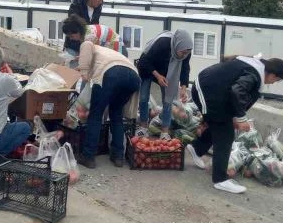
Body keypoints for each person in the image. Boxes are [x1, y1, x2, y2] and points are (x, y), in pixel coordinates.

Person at [188, 55, 283, 194]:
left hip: (212, 90)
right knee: (226, 134)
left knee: (220, 124)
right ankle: (220, 180)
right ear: (272, 74)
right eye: (276, 80)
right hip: (206, 90)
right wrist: (241, 118)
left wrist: (236, 117)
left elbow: (235, 93)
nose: (273, 83)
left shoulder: (255, 67)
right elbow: (237, 91)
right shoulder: (254, 75)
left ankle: (196, 148)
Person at [75, 41, 140, 169]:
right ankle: (118, 156)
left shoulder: (91, 45)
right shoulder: (109, 52)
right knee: (116, 114)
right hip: (133, 77)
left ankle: (88, 157)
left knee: (95, 114)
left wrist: (84, 71)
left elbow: (86, 45)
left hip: (111, 73)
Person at [136, 30, 192, 140]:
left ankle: (164, 132)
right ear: (177, 46)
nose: (184, 55)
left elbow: (185, 69)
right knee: (143, 98)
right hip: (148, 69)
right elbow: (143, 62)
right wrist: (157, 76)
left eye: (187, 53)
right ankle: (143, 127)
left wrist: (184, 88)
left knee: (168, 100)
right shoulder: (162, 43)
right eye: (183, 52)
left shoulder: (186, 52)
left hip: (167, 72)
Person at [61, 14, 126, 57]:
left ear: (78, 31)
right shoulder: (86, 29)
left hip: (117, 52)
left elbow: (90, 57)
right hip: (115, 48)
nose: (71, 39)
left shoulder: (89, 37)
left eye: (71, 36)